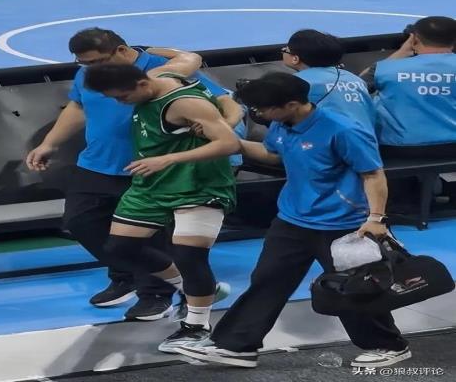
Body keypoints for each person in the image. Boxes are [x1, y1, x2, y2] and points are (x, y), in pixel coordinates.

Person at [175, 73, 410, 368]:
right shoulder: (282, 123)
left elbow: (373, 174)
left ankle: (388, 345)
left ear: (291, 104)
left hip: (342, 224)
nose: (258, 114)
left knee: (352, 288)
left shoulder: (344, 130)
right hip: (293, 219)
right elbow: (274, 153)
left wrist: (376, 218)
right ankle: (236, 346)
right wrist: (234, 143)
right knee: (267, 281)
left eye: (263, 109)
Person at [26, 28, 242, 321]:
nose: (91, 68)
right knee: (81, 222)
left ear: (121, 51)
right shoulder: (91, 73)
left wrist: (222, 126)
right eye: (84, 63)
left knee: (147, 237)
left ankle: (157, 294)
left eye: (97, 61)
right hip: (97, 163)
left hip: (150, 168)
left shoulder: (162, 71)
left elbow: (223, 100)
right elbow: (79, 106)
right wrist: (50, 143)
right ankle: (127, 275)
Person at [83, 63, 240, 352]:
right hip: (152, 185)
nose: (121, 103)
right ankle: (197, 289)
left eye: (123, 97)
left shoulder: (185, 104)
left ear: (141, 85)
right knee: (120, 248)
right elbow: (189, 57)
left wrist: (169, 159)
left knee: (190, 256)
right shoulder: (158, 75)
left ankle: (197, 327)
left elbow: (229, 143)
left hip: (198, 185)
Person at [360, 16, 456, 158]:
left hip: (397, 149)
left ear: (414, 39)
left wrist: (400, 53)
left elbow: (354, 87)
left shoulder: (384, 69)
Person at [283, 29, 375, 134]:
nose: (283, 50)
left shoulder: (294, 83)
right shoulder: (355, 79)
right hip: (366, 138)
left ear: (295, 59)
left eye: (286, 49)